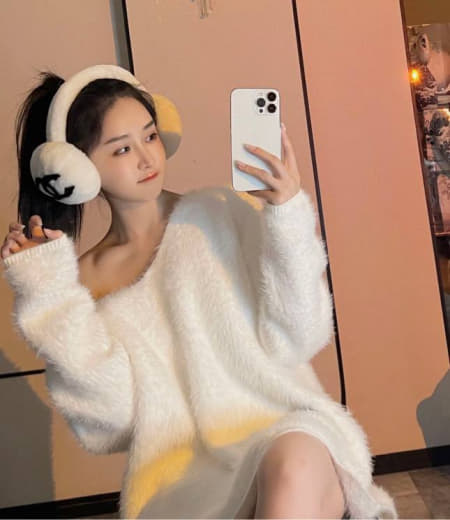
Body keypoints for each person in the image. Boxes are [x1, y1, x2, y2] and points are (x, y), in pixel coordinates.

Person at [1, 65, 397, 519]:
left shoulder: (221, 214)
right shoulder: (84, 280)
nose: (147, 158)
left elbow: (300, 336)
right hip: (180, 479)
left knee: (294, 463)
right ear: (79, 169)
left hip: (284, 436)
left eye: (150, 136)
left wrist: (287, 215)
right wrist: (47, 293)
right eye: (122, 149)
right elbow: (109, 425)